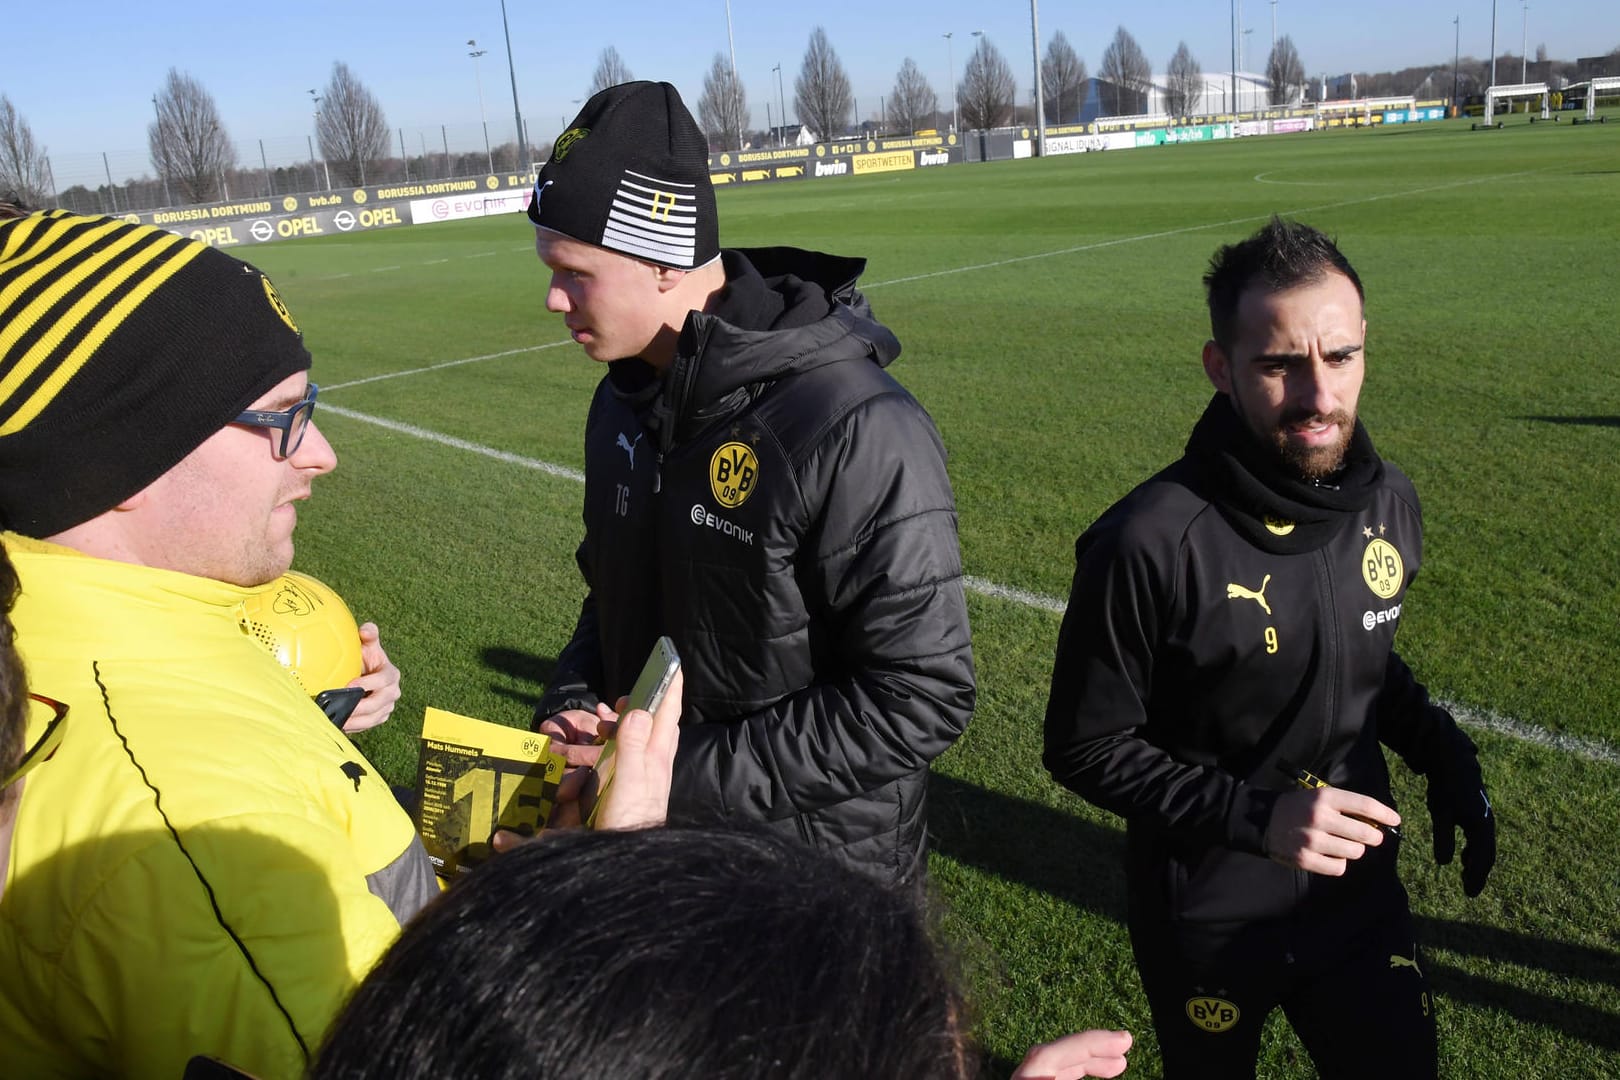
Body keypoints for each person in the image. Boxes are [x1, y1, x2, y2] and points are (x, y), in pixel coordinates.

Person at [1043, 218, 1495, 1078]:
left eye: (1340, 357)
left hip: (1359, 900)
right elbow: (1081, 746)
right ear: (1221, 368)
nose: (1318, 396)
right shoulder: (1149, 542)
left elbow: (1358, 652)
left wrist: (1442, 750)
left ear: (1366, 349)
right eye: (1280, 364)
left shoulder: (1387, 503)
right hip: (1208, 918)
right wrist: (1257, 818)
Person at [0, 208, 434, 1078]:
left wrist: (305, 728)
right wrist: (588, 889)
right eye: (284, 416)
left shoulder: (86, 629)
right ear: (116, 461)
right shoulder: (192, 838)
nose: (322, 455)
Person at [525, 81, 975, 884]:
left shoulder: (855, 424)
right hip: (660, 850)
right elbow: (616, 596)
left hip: (815, 887)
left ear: (663, 258)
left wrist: (673, 778)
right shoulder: (621, 403)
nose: (553, 298)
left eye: (576, 273)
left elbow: (918, 694)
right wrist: (568, 700)